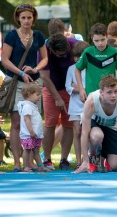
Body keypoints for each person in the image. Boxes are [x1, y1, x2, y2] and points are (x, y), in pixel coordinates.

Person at [1, 3, 48, 172]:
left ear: (33, 18)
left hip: (34, 83)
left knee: (34, 122)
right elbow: (4, 59)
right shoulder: (11, 36)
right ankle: (16, 162)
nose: (27, 21)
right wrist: (21, 74)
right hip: (16, 81)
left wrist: (35, 69)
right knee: (16, 123)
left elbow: (45, 59)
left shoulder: (39, 36)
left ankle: (31, 161)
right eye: (23, 18)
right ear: (18, 19)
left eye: (29, 17)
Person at [74, 75, 117, 174]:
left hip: (112, 127)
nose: (113, 95)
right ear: (101, 93)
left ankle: (104, 159)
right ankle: (91, 156)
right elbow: (84, 132)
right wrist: (84, 161)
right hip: (95, 125)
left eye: (115, 91)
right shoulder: (91, 101)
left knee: (116, 166)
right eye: (109, 92)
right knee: (97, 136)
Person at [40, 33, 79, 170]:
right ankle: (47, 159)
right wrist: (57, 98)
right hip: (51, 87)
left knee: (68, 123)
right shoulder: (44, 49)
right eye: (59, 55)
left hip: (71, 89)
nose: (63, 57)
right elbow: (44, 77)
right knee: (50, 121)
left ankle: (64, 159)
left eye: (65, 54)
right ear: (52, 50)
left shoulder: (75, 45)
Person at [75, 22, 117, 101]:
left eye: (103, 39)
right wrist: (81, 89)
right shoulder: (88, 52)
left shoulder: (114, 52)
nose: (100, 43)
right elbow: (77, 69)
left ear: (107, 36)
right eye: (97, 40)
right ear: (92, 39)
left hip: (110, 95)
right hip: (91, 94)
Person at [65, 41, 89, 169]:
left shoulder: (91, 67)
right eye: (76, 57)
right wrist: (80, 89)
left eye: (80, 56)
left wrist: (79, 87)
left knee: (88, 131)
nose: (77, 59)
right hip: (75, 104)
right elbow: (68, 86)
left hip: (88, 104)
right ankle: (79, 159)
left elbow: (91, 86)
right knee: (77, 132)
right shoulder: (71, 69)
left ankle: (88, 157)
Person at [17, 83, 49, 172]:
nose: (39, 97)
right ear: (29, 95)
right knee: (27, 150)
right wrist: (31, 131)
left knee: (36, 151)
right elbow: (27, 119)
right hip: (29, 134)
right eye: (37, 95)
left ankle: (40, 166)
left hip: (35, 134)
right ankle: (25, 166)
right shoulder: (27, 106)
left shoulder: (32, 106)